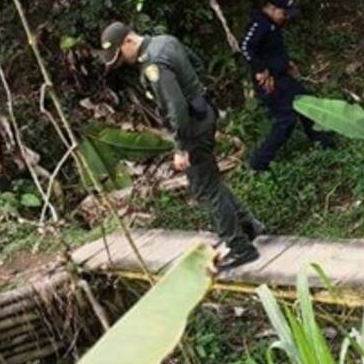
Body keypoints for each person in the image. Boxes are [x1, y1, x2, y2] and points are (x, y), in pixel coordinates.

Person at [100, 21, 262, 271]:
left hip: (192, 127)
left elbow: (176, 108)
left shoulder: (153, 65)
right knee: (211, 181)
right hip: (203, 113)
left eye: (120, 55)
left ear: (128, 41)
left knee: (205, 189)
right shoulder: (165, 40)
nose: (121, 62)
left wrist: (180, 147)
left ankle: (240, 247)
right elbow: (196, 64)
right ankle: (249, 226)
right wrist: (195, 91)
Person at [240, 0, 333, 172]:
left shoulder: (273, 25)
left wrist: (287, 63)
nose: (286, 18)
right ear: (273, 9)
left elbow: (273, 50)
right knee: (286, 119)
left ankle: (322, 140)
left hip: (283, 77)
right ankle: (259, 163)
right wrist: (259, 70)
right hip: (270, 83)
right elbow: (245, 47)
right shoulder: (260, 24)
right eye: (284, 13)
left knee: (306, 102)